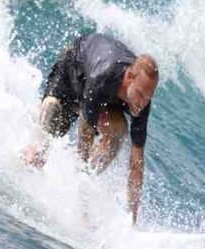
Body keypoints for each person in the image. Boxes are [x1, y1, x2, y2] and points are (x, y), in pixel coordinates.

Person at [24, 32, 158, 223]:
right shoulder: (102, 76)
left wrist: (133, 219)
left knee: (118, 132)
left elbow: (136, 162)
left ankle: (84, 192)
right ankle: (23, 167)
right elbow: (85, 135)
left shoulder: (141, 100)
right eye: (140, 94)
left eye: (147, 97)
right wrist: (81, 187)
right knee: (44, 135)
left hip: (108, 97)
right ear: (129, 77)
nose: (142, 103)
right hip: (72, 72)